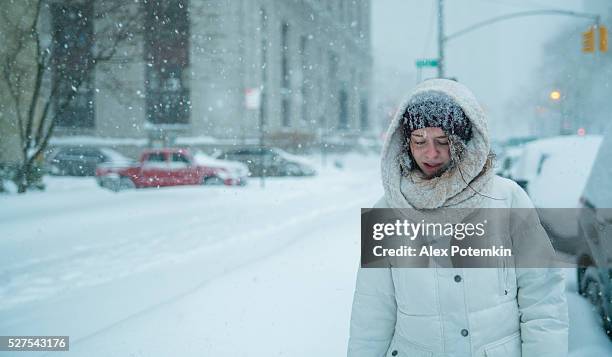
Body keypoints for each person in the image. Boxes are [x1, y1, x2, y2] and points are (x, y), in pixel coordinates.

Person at [347, 79, 568, 357]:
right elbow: (372, 314)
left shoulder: (507, 199)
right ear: (405, 144)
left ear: (463, 141)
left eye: (443, 141)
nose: (431, 153)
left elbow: (543, 300)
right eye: (419, 141)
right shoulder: (388, 214)